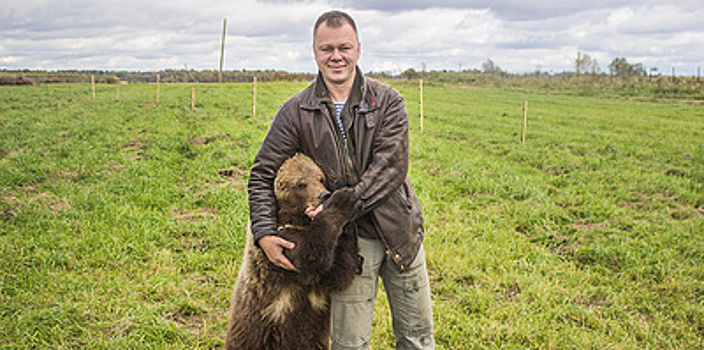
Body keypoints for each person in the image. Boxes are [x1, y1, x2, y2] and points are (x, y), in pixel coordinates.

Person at [248, 10, 435, 349]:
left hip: (399, 233)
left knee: (416, 337)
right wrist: (263, 232)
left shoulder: (387, 101)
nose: (336, 56)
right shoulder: (295, 111)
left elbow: (390, 169)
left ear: (358, 50)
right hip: (348, 243)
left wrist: (337, 209)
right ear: (315, 52)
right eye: (327, 48)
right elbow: (262, 173)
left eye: (344, 47)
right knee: (349, 343)